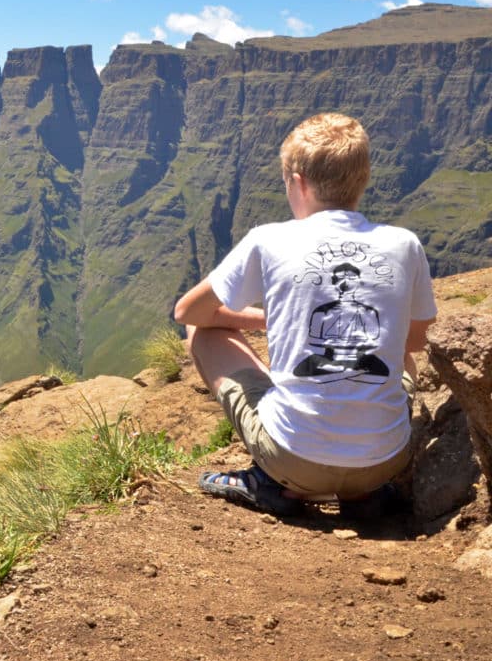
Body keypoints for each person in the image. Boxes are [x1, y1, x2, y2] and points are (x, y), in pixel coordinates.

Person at [173, 113, 437, 517]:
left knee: (200, 331)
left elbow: (188, 310)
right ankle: (361, 493)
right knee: (401, 356)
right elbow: (414, 343)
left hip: (291, 460)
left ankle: (271, 483)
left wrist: (262, 319)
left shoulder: (269, 238)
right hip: (384, 463)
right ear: (363, 180)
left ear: (297, 182)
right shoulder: (405, 244)